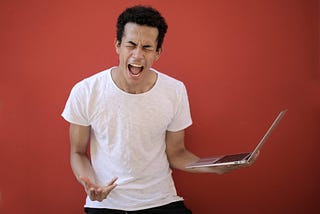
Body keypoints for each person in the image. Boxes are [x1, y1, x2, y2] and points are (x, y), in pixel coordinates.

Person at [62, 5, 258, 214]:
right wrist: (92, 185)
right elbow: (77, 152)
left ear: (157, 53)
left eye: (147, 47)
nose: (137, 55)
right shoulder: (86, 91)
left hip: (161, 201)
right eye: (131, 45)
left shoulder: (174, 90)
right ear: (118, 46)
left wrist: (215, 168)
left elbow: (177, 153)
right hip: (106, 203)